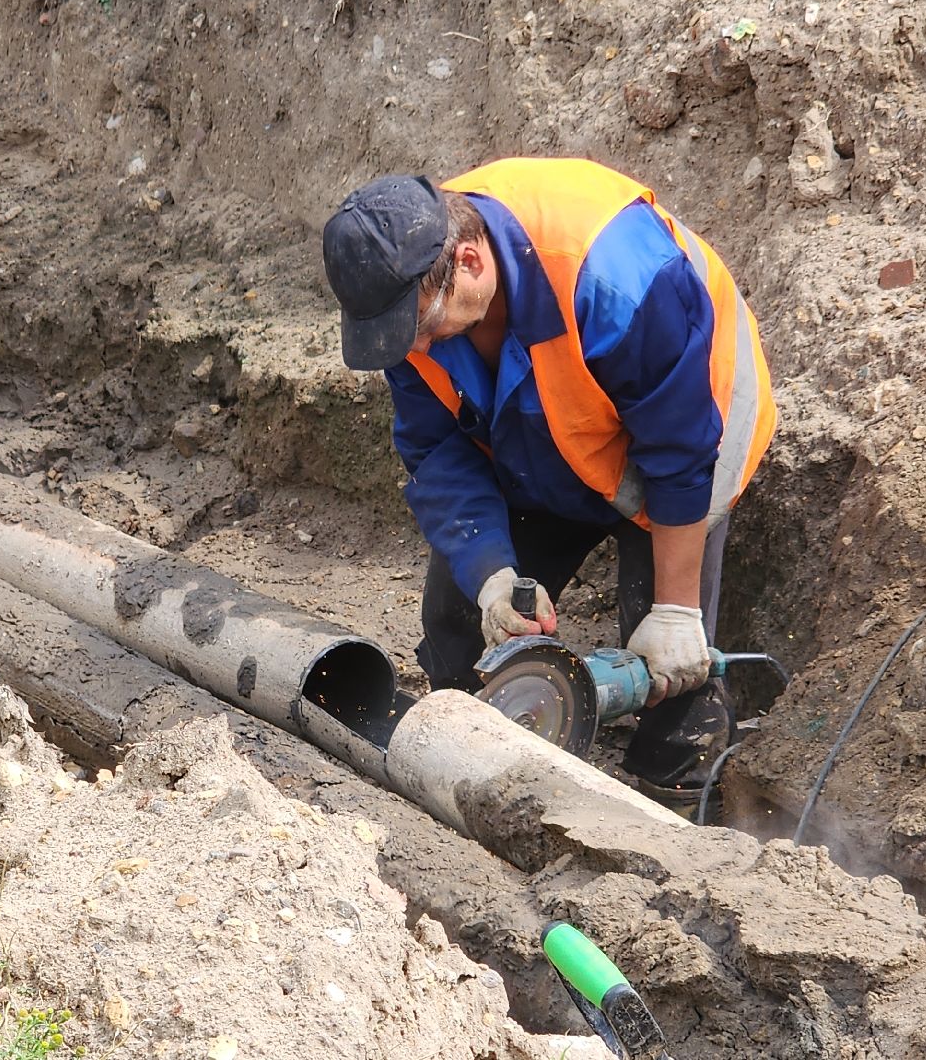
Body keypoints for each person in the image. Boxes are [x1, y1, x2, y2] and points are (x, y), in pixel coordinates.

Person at [320, 158, 775, 804]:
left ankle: (679, 796)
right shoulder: (408, 290)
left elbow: (680, 451)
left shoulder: (615, 275)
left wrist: (675, 612)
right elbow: (436, 448)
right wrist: (494, 577)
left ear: (470, 263)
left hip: (691, 437)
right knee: (458, 625)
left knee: (675, 677)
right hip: (550, 434)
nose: (415, 351)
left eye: (422, 331)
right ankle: (476, 770)